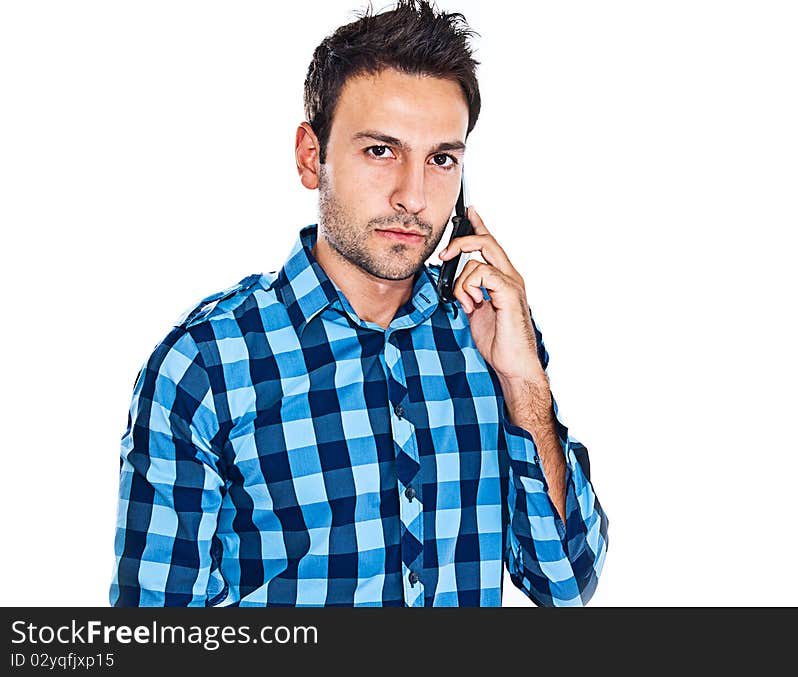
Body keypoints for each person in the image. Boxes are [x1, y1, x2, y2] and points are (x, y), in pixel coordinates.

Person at [110, 0, 609, 607]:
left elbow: (567, 584)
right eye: (380, 151)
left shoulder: (491, 336)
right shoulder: (206, 365)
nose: (413, 196)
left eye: (441, 159)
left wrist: (523, 378)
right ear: (310, 155)